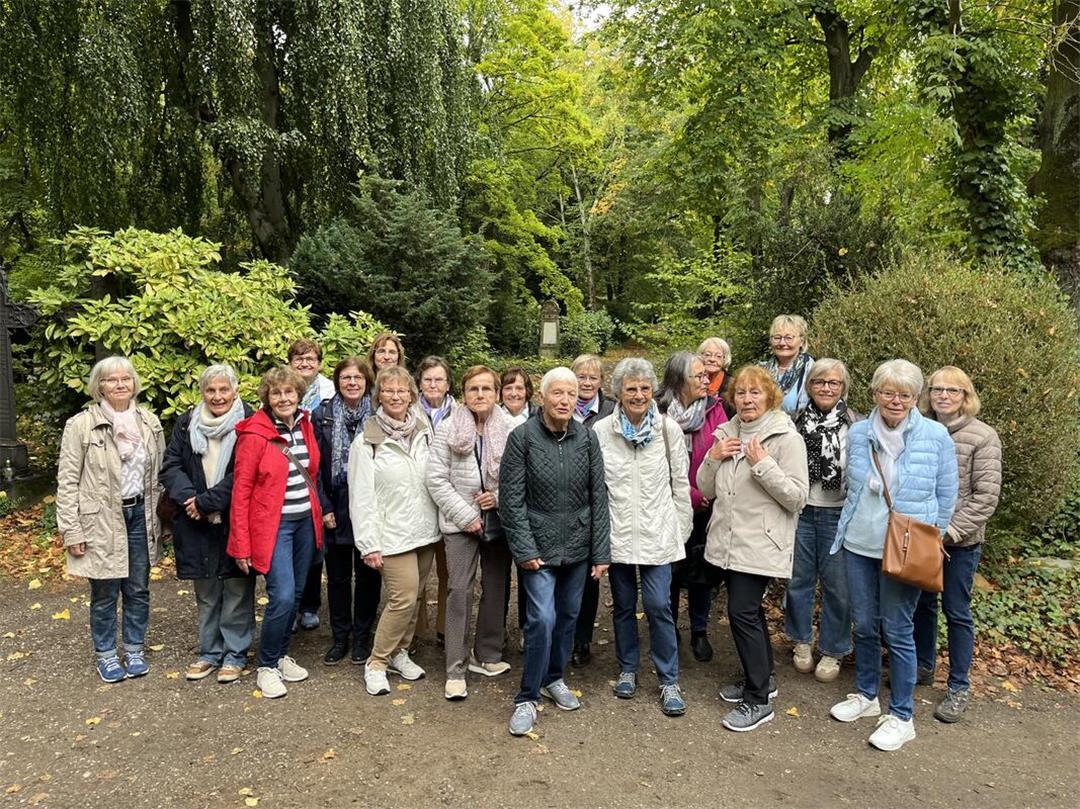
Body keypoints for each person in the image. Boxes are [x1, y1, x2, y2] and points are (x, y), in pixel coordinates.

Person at [828, 359, 957, 752]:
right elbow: (851, 485)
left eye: (903, 394)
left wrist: (934, 534)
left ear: (916, 398)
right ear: (875, 394)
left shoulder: (935, 435)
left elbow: (947, 492)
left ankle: (902, 715)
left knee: (898, 630)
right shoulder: (861, 431)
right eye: (887, 392)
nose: (895, 401)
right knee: (864, 625)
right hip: (859, 541)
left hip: (905, 546)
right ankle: (867, 697)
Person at [500, 367, 611, 737]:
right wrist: (525, 548)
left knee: (568, 617)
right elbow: (511, 501)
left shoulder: (586, 439)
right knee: (541, 619)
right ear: (543, 398)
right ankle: (527, 697)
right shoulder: (522, 438)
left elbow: (598, 497)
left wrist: (600, 552)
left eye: (570, 394)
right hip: (539, 549)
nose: (564, 400)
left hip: (578, 546)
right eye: (557, 394)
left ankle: (553, 678)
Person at [698, 365, 809, 732]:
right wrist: (714, 457)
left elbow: (796, 498)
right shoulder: (727, 432)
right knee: (750, 613)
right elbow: (705, 488)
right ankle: (762, 679)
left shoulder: (784, 438)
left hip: (760, 541)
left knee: (742, 611)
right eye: (741, 393)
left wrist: (763, 466)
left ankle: (758, 700)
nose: (747, 399)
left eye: (755, 393)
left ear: (770, 397)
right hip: (729, 539)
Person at [57, 356, 165, 682]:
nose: (120, 385)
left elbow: (158, 477)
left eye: (126, 379)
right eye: (111, 380)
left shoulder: (149, 423)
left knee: (138, 589)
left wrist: (163, 522)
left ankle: (134, 649)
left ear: (134, 384)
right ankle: (106, 655)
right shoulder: (80, 425)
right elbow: (67, 480)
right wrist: (71, 530)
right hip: (101, 518)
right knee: (104, 593)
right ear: (99, 386)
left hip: (140, 514)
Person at [595, 358, 692, 716]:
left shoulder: (669, 430)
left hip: (658, 534)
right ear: (618, 392)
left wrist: (679, 530)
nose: (638, 395)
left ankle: (669, 680)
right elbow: (596, 489)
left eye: (644, 388)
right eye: (630, 389)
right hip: (617, 533)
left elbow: (681, 484)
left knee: (658, 606)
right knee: (622, 606)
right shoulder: (601, 431)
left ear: (653, 391)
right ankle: (628, 669)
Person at [228, 366, 325, 700]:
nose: (284, 398)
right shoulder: (254, 434)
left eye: (289, 392)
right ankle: (266, 666)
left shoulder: (306, 424)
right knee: (282, 595)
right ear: (267, 399)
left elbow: (311, 472)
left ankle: (281, 655)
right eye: (276, 393)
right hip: (275, 527)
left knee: (297, 594)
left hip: (304, 523)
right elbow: (240, 491)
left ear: (298, 395)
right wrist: (240, 544)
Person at [914, 366, 1001, 723]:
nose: (943, 396)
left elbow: (985, 497)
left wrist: (949, 532)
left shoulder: (983, 436)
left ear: (966, 396)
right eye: (937, 389)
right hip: (921, 535)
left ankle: (958, 685)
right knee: (922, 605)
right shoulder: (918, 429)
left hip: (959, 542)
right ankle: (922, 666)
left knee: (957, 610)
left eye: (952, 390)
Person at [160, 364, 254, 684]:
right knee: (206, 588)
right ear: (203, 392)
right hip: (195, 519)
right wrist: (190, 500)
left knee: (236, 586)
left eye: (223, 390)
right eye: (211, 390)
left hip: (233, 516)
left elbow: (246, 474)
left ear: (235, 391)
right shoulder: (187, 423)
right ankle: (210, 652)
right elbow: (171, 465)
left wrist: (207, 502)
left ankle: (235, 653)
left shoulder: (250, 422)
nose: (217, 396)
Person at [349, 366, 440, 697]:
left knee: (416, 595)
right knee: (402, 597)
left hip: (425, 530)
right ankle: (376, 662)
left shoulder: (424, 429)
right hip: (391, 534)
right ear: (379, 396)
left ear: (412, 396)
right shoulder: (367, 442)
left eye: (403, 391)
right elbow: (360, 498)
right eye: (389, 391)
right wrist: (369, 544)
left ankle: (400, 651)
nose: (397, 396)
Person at [426, 365, 514, 700]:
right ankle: (455, 667)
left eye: (487, 389)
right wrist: (466, 516)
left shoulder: (510, 428)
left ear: (496, 393)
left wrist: (499, 496)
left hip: (498, 520)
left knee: (496, 587)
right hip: (459, 524)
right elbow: (435, 479)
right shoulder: (448, 429)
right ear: (464, 393)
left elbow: (521, 475)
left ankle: (487, 654)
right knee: (459, 590)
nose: (480, 395)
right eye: (474, 389)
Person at [786, 359, 860, 684]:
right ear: (809, 386)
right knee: (798, 581)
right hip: (801, 510)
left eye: (833, 383)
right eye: (819, 382)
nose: (826, 388)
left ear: (843, 388)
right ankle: (801, 641)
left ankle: (833, 649)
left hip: (838, 513)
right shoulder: (795, 421)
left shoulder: (855, 424)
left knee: (838, 587)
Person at [657, 351, 728, 663]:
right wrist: (689, 495)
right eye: (698, 376)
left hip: (706, 504)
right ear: (678, 380)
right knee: (669, 570)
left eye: (706, 375)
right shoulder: (657, 411)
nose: (706, 380)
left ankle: (699, 629)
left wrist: (705, 494)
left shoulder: (715, 409)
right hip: (666, 504)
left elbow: (723, 450)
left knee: (702, 567)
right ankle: (668, 629)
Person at [311, 357, 380, 666]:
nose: (352, 382)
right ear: (337, 381)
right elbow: (313, 467)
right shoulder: (322, 414)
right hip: (335, 502)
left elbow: (382, 465)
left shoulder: (377, 416)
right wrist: (324, 506)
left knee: (368, 575)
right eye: (346, 377)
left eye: (357, 377)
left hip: (367, 502)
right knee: (338, 577)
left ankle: (363, 637)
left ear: (367, 381)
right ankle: (340, 637)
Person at [570, 353, 615, 666]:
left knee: (590, 574)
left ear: (601, 382)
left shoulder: (611, 410)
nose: (586, 383)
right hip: (564, 500)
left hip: (600, 496)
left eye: (592, 378)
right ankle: (560, 632)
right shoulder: (560, 403)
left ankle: (582, 639)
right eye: (581, 377)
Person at [290, 338, 335, 632]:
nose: (305, 364)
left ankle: (309, 605)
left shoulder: (329, 390)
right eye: (299, 359)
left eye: (310, 359)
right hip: (289, 467)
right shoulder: (282, 386)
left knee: (314, 542)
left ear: (319, 362)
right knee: (290, 542)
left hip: (319, 465)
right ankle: (288, 606)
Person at [414, 355, 453, 646]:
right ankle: (413, 631)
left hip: (450, 499)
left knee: (448, 571)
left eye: (439, 379)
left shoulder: (461, 412)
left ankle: (444, 627)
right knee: (417, 573)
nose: (433, 385)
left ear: (448, 384)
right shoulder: (408, 410)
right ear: (419, 383)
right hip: (418, 500)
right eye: (428, 379)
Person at [759, 314, 813, 415]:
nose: (782, 343)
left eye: (789, 338)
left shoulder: (812, 371)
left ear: (801, 341)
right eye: (777, 337)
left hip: (800, 429)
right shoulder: (760, 371)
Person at [698, 337, 735, 418]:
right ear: (701, 356)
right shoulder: (693, 380)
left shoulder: (732, 385)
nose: (712, 359)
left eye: (718, 356)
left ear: (725, 359)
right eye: (707, 355)